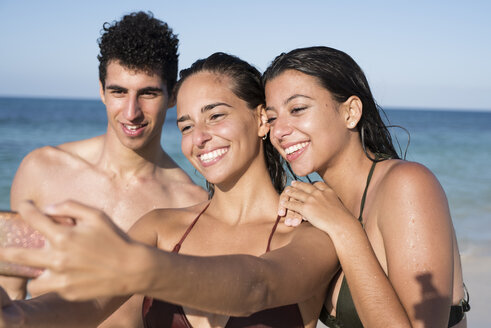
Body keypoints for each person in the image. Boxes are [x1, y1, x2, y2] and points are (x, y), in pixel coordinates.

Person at [0, 53, 339, 328]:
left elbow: (257, 286)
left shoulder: (310, 237)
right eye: (186, 126)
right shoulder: (159, 228)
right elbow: (88, 305)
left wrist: (140, 267)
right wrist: (15, 316)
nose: (198, 138)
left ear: (262, 119)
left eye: (216, 116)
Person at [3, 11, 207, 327]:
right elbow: (11, 288)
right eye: (118, 91)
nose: (131, 112)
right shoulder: (42, 170)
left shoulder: (190, 203)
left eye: (148, 93)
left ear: (171, 96)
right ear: (101, 90)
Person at [263, 46, 469, 327]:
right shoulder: (323, 205)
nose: (279, 131)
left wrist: (344, 229)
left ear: (350, 112)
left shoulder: (407, 186)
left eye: (297, 109)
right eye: (272, 118)